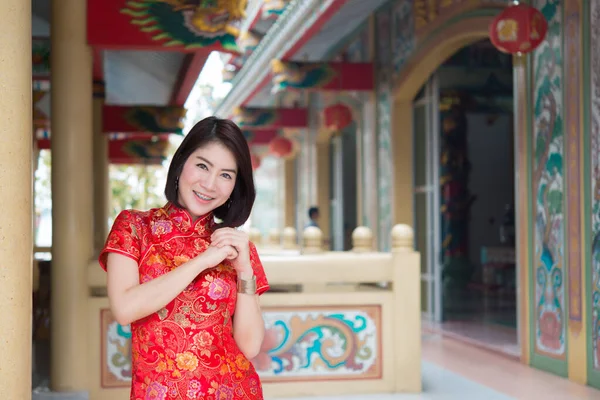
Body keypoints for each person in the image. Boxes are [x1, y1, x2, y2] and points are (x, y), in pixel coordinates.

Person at [99, 116, 270, 400]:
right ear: (181, 164)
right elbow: (125, 308)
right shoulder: (134, 227)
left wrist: (244, 271)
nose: (210, 184)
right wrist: (203, 260)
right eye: (202, 166)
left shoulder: (236, 247)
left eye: (226, 175)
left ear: (234, 187)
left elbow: (250, 347)